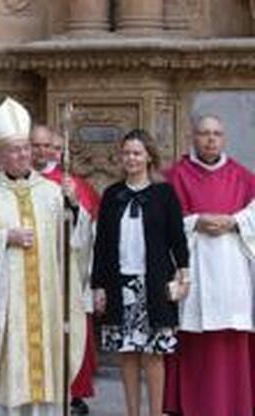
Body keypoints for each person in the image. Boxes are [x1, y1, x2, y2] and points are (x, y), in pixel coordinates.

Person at [0, 97, 86, 416]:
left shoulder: (52, 191)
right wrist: (4, 237)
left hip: (46, 301)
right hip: (6, 303)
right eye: (15, 150)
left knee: (45, 369)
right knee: (7, 368)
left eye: (26, 148)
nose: (23, 155)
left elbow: (74, 242)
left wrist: (74, 207)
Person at [92, 129, 190, 416]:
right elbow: (101, 245)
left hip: (154, 283)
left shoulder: (164, 193)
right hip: (119, 283)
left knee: (153, 354)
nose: (131, 158)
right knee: (128, 353)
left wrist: (184, 274)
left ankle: (155, 413)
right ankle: (132, 412)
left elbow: (178, 238)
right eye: (126, 153)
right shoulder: (112, 195)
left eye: (136, 153)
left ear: (148, 157)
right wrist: (99, 286)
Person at [163, 115, 255, 416]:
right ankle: (187, 406)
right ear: (193, 136)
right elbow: (161, 221)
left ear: (224, 138)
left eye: (216, 133)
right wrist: (195, 221)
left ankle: (236, 405)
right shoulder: (174, 176)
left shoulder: (243, 176)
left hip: (232, 273)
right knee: (192, 336)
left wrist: (236, 221)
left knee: (231, 337)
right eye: (204, 133)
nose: (211, 139)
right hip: (194, 270)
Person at [30, 125, 100, 415]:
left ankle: (73, 392)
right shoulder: (16, 180)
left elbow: (87, 228)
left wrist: (73, 201)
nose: (42, 151)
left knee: (68, 327)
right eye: (35, 145)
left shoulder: (69, 182)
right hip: (30, 266)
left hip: (62, 268)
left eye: (47, 146)